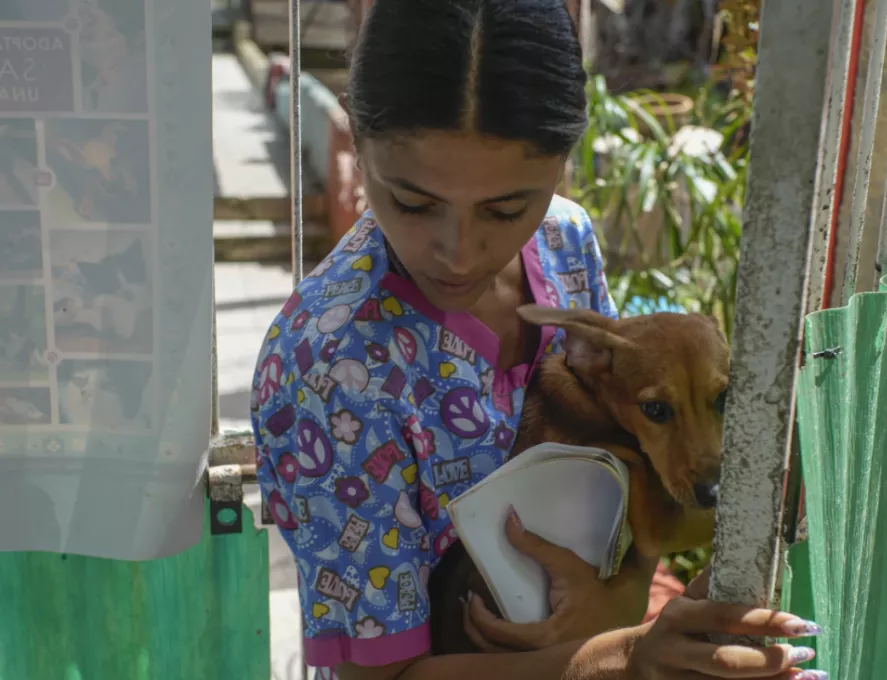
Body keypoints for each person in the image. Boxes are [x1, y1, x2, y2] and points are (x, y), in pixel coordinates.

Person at [250, 1, 828, 679]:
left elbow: (621, 465)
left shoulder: (563, 242)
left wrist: (624, 591)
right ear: (355, 131)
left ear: (562, 160)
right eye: (411, 202)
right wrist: (621, 654)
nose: (460, 253)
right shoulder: (326, 365)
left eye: (505, 208)